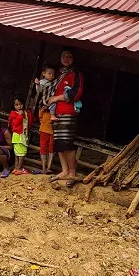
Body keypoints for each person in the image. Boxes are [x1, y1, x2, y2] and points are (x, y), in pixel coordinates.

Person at [47, 48, 84, 187]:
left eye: (69, 56)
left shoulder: (76, 74)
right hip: (56, 112)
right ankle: (64, 170)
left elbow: (76, 93)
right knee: (59, 143)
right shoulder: (57, 73)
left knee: (67, 144)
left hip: (68, 111)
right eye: (63, 56)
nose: (66, 59)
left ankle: (72, 173)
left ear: (73, 58)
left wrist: (56, 98)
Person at [8, 96, 34, 175]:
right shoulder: (13, 114)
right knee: (22, 153)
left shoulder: (26, 112)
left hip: (23, 135)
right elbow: (15, 124)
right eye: (16, 105)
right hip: (18, 136)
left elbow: (29, 121)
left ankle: (16, 168)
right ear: (13, 106)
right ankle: (19, 168)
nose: (19, 106)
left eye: (20, 104)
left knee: (18, 153)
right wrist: (20, 115)